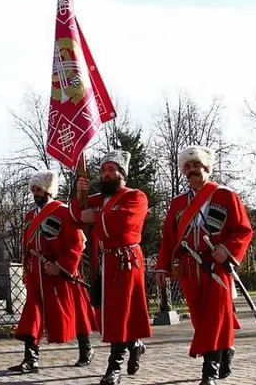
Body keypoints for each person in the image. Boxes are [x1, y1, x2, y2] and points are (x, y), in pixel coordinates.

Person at [155, 145, 253, 385]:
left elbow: (243, 230)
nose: (192, 171)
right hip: (189, 266)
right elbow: (169, 238)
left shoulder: (225, 195)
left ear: (207, 167)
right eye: (187, 167)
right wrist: (162, 267)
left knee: (215, 316)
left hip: (216, 266)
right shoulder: (178, 203)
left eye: (196, 165)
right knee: (200, 318)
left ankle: (209, 371)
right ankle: (225, 349)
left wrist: (227, 248)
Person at [71, 150, 152, 385]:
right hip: (103, 262)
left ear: (122, 174)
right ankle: (134, 344)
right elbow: (75, 218)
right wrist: (79, 195)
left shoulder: (135, 196)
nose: (106, 174)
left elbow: (124, 222)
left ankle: (114, 367)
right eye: (104, 170)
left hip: (126, 260)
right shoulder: (95, 200)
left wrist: (95, 218)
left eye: (111, 170)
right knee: (108, 314)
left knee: (120, 312)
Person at [9, 170, 98, 374]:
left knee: (76, 311)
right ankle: (31, 359)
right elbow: (28, 245)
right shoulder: (30, 216)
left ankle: (86, 350)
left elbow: (76, 243)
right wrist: (26, 268)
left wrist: (61, 265)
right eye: (33, 189)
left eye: (38, 189)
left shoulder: (63, 211)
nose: (35, 193)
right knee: (32, 313)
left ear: (48, 190)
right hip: (37, 273)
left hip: (60, 273)